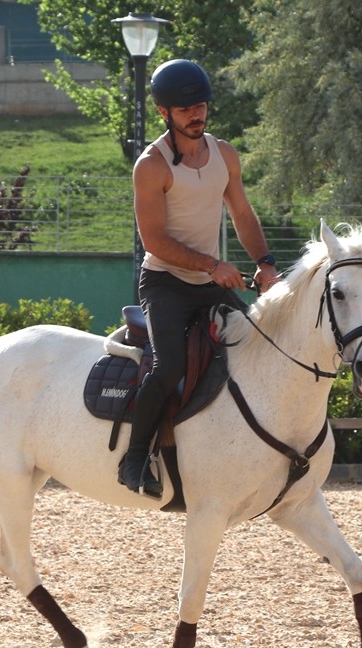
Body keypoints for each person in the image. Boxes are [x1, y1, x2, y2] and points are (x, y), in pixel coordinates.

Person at [118, 58, 281, 497]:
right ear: (164, 113)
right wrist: (212, 266)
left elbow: (242, 214)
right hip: (165, 283)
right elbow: (153, 240)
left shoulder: (224, 153)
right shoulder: (151, 166)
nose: (197, 114)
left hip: (210, 280)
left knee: (258, 347)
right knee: (169, 365)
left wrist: (264, 262)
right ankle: (134, 459)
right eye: (186, 109)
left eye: (202, 105)